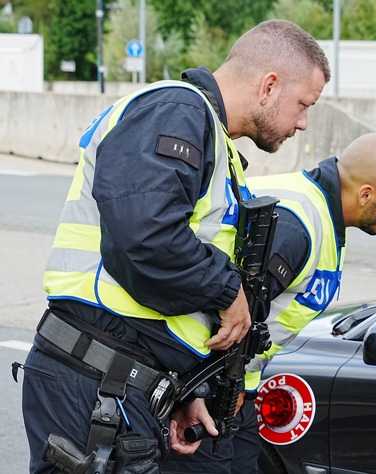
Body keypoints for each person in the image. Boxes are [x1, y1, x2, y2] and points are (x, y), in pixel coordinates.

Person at [19, 19, 330, 473]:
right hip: (94, 381)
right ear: (269, 86)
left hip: (121, 384)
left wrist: (180, 392)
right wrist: (228, 292)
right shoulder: (178, 110)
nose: (303, 123)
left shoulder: (212, 138)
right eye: (304, 105)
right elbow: (144, 237)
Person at [160, 133, 376, 473]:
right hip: (204, 397)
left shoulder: (318, 211)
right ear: (365, 193)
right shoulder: (297, 226)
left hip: (233, 390)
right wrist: (198, 394)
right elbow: (220, 312)